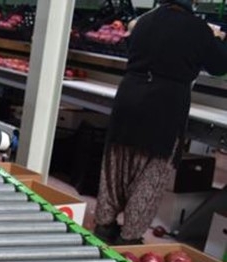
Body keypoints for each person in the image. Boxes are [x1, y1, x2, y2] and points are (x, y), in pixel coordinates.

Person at [92, 0, 227, 245]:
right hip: (165, 105)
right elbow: (219, 66)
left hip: (129, 96)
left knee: (117, 165)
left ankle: (103, 226)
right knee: (151, 173)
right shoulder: (197, 28)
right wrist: (217, 39)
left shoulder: (143, 22)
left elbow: (132, 46)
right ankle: (129, 238)